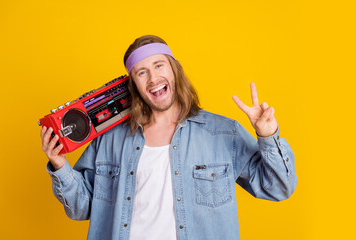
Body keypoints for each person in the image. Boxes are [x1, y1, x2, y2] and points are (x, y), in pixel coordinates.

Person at [40, 35, 297, 240]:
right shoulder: (109, 139)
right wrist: (60, 165)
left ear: (174, 70)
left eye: (158, 65)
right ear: (134, 85)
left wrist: (268, 135)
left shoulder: (222, 133)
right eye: (141, 72)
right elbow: (82, 208)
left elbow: (278, 188)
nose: (153, 78)